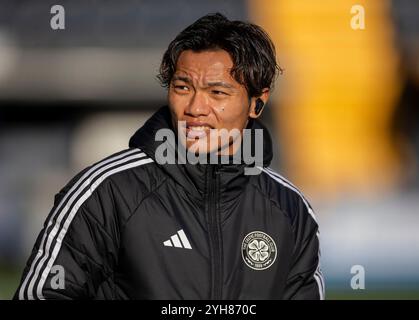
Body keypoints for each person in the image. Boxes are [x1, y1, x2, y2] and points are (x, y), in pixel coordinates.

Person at [14, 13, 325, 300]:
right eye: (182, 87)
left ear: (257, 102)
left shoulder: (290, 209)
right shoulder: (107, 191)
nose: (195, 108)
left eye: (217, 93)